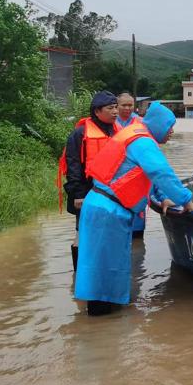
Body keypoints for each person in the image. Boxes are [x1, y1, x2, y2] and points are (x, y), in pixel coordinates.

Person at [74, 101, 193, 315]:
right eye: (170, 127)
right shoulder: (142, 141)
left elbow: (138, 177)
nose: (171, 132)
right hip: (108, 212)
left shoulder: (134, 133)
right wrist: (187, 201)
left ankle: (105, 323)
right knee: (102, 270)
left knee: (105, 267)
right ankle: (102, 326)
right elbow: (161, 173)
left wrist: (163, 199)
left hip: (104, 208)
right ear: (159, 125)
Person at [57, 91, 119, 271]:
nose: (115, 111)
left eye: (116, 107)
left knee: (107, 232)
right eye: (110, 108)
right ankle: (80, 275)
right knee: (82, 234)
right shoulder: (80, 134)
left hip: (110, 192)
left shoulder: (116, 131)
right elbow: (73, 164)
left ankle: (99, 270)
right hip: (85, 191)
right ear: (97, 111)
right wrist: (77, 194)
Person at [115, 92, 147, 237]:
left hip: (137, 172)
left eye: (130, 105)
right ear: (117, 106)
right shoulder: (111, 121)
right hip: (116, 173)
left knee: (138, 210)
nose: (127, 108)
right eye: (124, 105)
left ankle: (137, 243)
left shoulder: (141, 122)